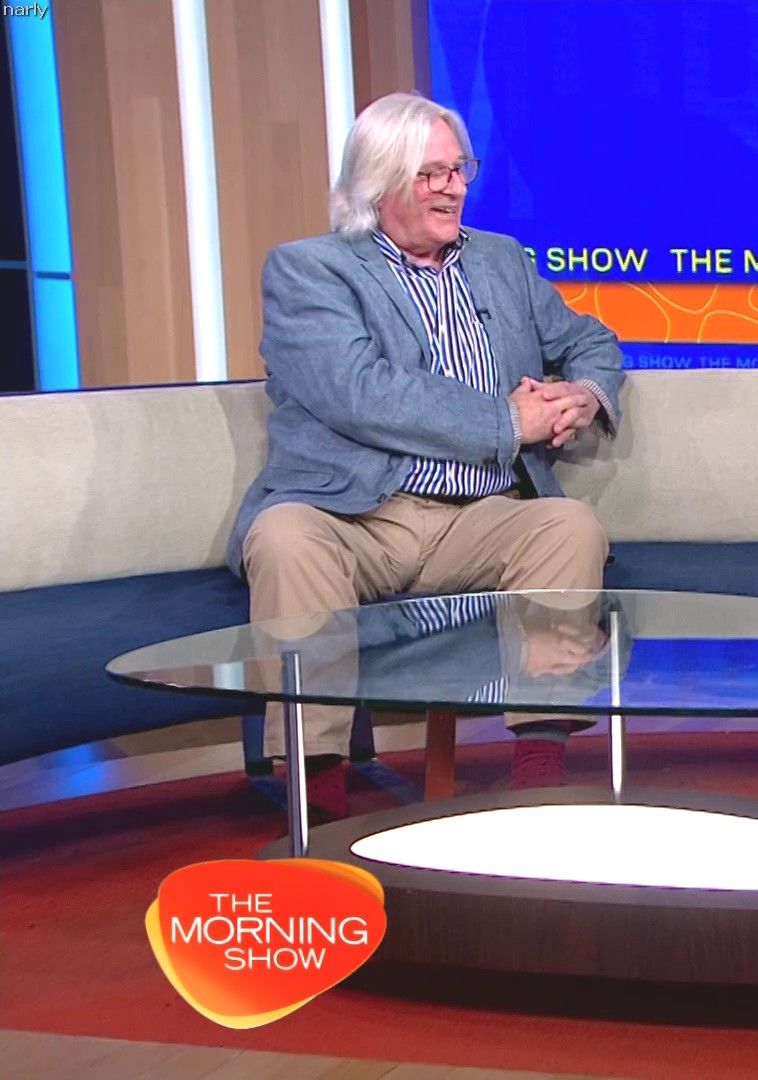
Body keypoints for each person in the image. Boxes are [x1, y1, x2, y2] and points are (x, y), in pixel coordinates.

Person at [228, 91, 626, 820]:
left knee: (567, 527)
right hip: (353, 514)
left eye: (459, 169)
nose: (454, 188)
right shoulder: (309, 271)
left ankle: (541, 774)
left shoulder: (500, 261)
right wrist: (509, 421)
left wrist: (583, 394)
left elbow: (589, 340)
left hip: (481, 513)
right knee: (284, 539)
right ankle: (317, 793)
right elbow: (361, 392)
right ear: (378, 182)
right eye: (431, 173)